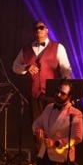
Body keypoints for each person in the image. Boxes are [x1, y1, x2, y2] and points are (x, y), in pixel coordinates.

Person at [12, 21, 73, 152]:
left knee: (56, 126)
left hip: (54, 94)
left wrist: (66, 92)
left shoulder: (58, 47)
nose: (38, 31)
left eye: (41, 28)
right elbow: (15, 67)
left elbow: (66, 70)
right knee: (37, 126)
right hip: (35, 94)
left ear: (47, 30)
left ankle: (56, 157)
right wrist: (26, 67)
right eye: (36, 29)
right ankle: (40, 159)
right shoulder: (26, 49)